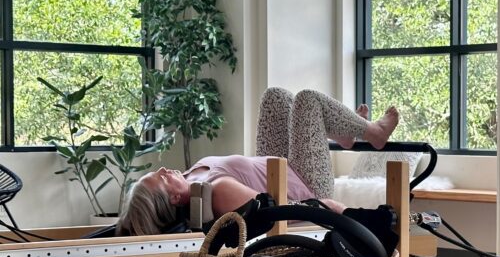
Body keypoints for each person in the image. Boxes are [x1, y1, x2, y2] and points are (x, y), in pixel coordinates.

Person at [115, 87, 400, 236]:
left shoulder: (193, 179)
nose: (164, 169)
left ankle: (344, 133)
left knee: (275, 97)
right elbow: (280, 210)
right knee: (307, 99)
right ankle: (373, 133)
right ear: (175, 198)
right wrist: (335, 210)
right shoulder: (217, 190)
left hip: (282, 166)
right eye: (162, 178)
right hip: (307, 183)